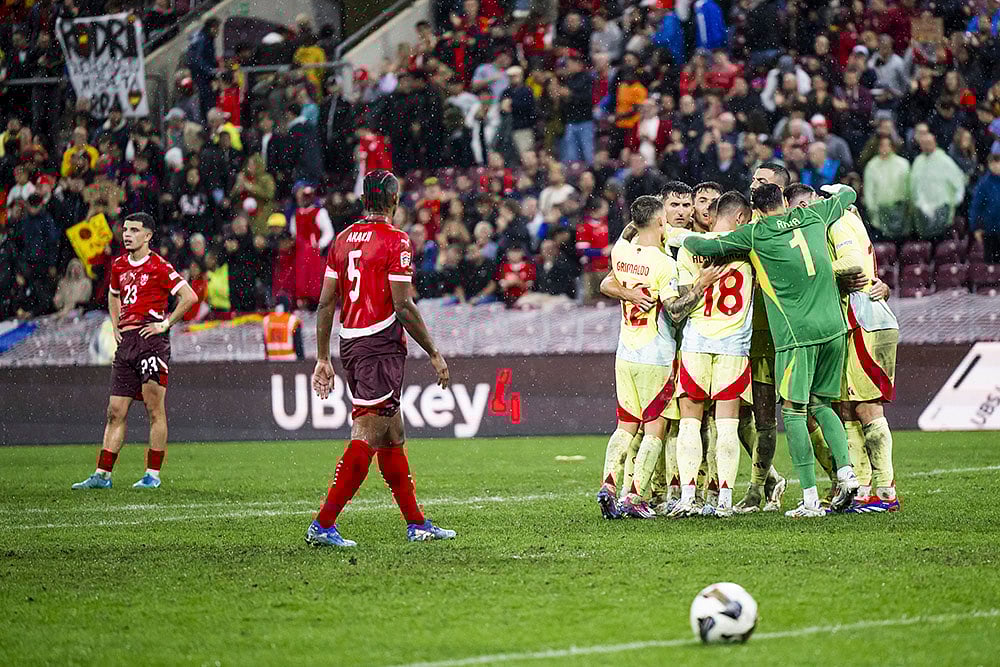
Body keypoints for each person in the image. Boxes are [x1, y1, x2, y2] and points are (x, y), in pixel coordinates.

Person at [683, 184, 861, 518]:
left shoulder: (755, 233)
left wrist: (677, 237)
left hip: (797, 335)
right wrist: (839, 189)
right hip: (834, 328)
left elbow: (697, 243)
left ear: (756, 209)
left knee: (794, 412)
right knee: (822, 404)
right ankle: (847, 474)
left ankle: (809, 500)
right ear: (782, 202)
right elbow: (849, 196)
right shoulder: (813, 214)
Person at [307, 170, 454, 547]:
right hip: (380, 344)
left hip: (350, 342)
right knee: (368, 434)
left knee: (392, 434)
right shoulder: (396, 240)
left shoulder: (341, 240)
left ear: (363, 200)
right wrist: (434, 352)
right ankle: (323, 524)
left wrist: (323, 357)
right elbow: (403, 305)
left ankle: (416, 523)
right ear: (393, 200)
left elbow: (326, 301)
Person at [595, 195, 724, 520]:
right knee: (656, 428)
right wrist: (700, 285)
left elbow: (626, 237)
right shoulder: (663, 264)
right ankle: (635, 497)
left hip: (625, 352)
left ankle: (608, 485)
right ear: (660, 222)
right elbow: (675, 311)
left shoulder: (621, 251)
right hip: (656, 355)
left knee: (626, 425)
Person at [785, 184, 900, 513]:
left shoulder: (839, 221)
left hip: (864, 323)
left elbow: (851, 264)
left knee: (866, 407)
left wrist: (813, 275)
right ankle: (863, 490)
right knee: (847, 408)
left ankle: (885, 491)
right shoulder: (837, 223)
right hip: (851, 324)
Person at [72, 213, 198, 490]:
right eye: (125, 230)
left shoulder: (159, 266)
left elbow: (189, 296)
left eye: (134, 230)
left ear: (148, 236)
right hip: (126, 343)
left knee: (154, 410)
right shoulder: (118, 265)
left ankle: (152, 475)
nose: (127, 234)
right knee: (115, 410)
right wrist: (116, 324)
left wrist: (165, 323)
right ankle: (102, 475)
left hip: (151, 342)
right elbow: (114, 294)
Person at [673, 192, 755, 518]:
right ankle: (723, 501)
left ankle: (687, 498)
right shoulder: (749, 248)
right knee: (727, 426)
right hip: (733, 348)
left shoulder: (689, 248)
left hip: (695, 343)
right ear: (739, 219)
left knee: (689, 425)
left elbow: (681, 302)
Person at [734, 163, 789, 514]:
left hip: (776, 334)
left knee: (802, 415)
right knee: (741, 418)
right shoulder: (743, 225)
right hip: (741, 335)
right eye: (753, 178)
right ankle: (765, 483)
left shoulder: (793, 227)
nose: (754, 184)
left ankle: (843, 479)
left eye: (763, 181)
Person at [970, 152, 1000, 263]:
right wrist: (976, 227)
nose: (996, 165)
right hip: (990, 230)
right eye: (993, 162)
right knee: (992, 262)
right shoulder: (983, 184)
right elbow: (976, 207)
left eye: (998, 162)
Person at [262, 296, 303, 361]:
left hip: (271, 360)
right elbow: (298, 343)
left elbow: (265, 341)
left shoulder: (266, 319)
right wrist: (301, 359)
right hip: (290, 360)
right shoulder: (293, 320)